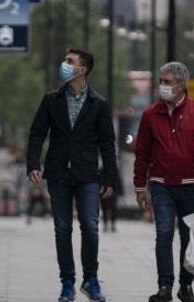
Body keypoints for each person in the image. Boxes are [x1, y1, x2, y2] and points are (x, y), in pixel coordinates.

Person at [27, 48, 117, 302]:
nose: (64, 65)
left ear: (82, 69)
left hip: (87, 174)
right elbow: (36, 134)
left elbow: (107, 143)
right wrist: (33, 164)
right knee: (62, 228)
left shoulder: (98, 104)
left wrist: (109, 178)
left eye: (69, 61)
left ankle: (91, 279)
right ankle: (67, 282)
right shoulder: (51, 100)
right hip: (57, 173)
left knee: (90, 225)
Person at [134, 61, 194, 302]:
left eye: (167, 82)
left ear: (182, 85)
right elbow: (142, 152)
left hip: (192, 187)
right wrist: (140, 186)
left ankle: (186, 285)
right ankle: (164, 286)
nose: (163, 86)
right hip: (161, 185)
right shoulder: (151, 114)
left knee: (188, 237)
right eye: (161, 81)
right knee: (164, 232)